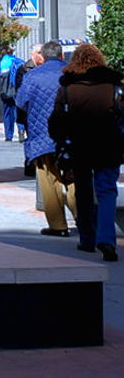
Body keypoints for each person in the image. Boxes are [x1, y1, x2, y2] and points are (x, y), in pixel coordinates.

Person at [48, 43, 123, 262]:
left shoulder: (69, 88)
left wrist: (60, 140)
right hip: (109, 146)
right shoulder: (114, 86)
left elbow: (56, 120)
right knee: (107, 191)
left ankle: (87, 238)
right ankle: (107, 240)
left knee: (83, 191)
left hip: (79, 147)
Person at [16, 40, 76, 237]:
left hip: (42, 136)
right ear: (61, 56)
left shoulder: (32, 76)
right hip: (70, 136)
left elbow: (21, 102)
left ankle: (58, 226)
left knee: (49, 179)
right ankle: (84, 220)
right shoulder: (72, 75)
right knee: (74, 178)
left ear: (42, 56)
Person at [14, 43, 44, 144]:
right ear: (33, 54)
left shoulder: (46, 69)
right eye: (39, 53)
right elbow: (20, 92)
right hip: (30, 111)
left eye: (43, 53)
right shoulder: (24, 69)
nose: (42, 55)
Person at [0, 46, 23, 141]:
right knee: (18, 112)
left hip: (6, 92)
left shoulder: (2, 63)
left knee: (7, 113)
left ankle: (9, 135)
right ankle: (21, 131)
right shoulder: (19, 61)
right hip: (17, 91)